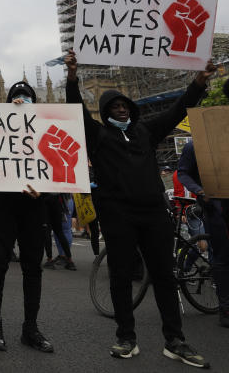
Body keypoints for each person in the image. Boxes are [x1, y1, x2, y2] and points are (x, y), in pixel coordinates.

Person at [66, 49, 214, 368]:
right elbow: (76, 111)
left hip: (152, 214)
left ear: (130, 108)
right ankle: (126, 337)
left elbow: (177, 110)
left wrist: (199, 83)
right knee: (120, 276)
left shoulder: (145, 131)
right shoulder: (99, 136)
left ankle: (175, 340)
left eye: (123, 105)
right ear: (105, 113)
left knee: (164, 276)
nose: (120, 109)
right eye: (113, 106)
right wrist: (73, 77)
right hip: (118, 215)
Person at [0, 81, 54, 353]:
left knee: (33, 268)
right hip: (1, 206)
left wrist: (44, 192)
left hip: (33, 207)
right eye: (16, 96)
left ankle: (30, 328)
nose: (21, 99)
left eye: (26, 96)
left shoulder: (45, 129)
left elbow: (55, 168)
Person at [177, 84, 229, 329]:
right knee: (221, 255)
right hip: (215, 205)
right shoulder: (194, 146)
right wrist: (200, 191)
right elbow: (183, 173)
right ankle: (226, 309)